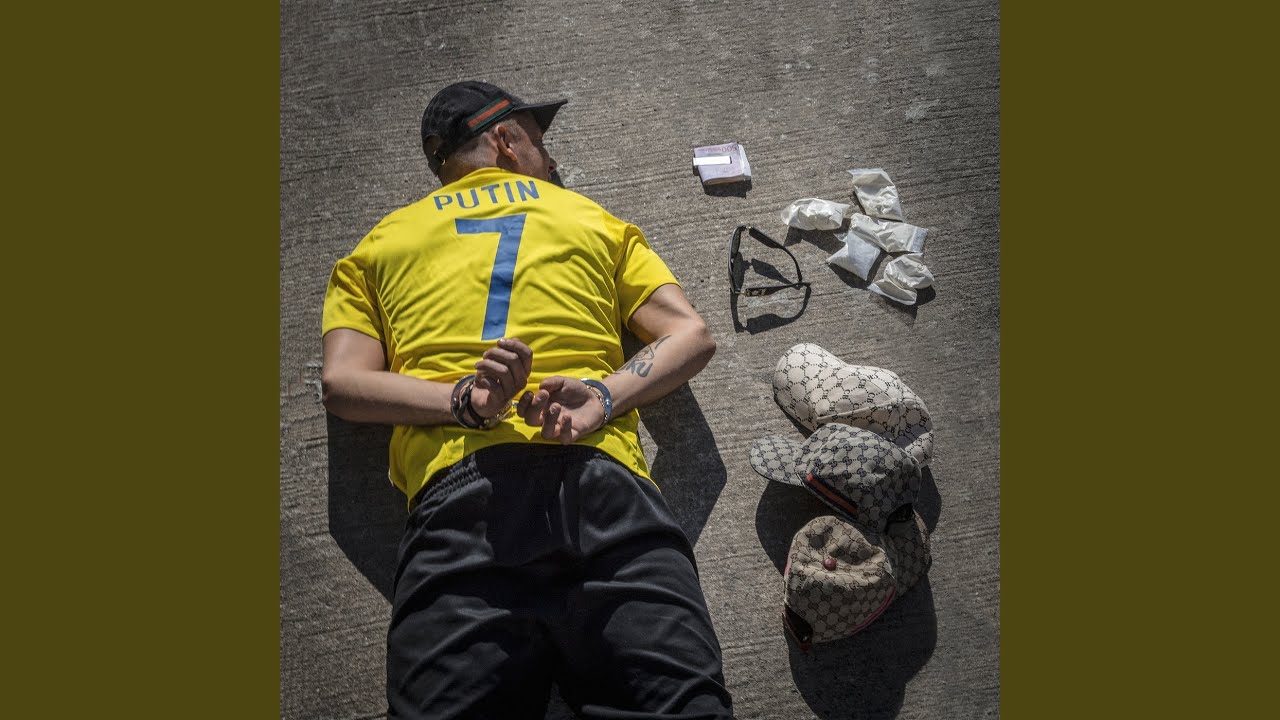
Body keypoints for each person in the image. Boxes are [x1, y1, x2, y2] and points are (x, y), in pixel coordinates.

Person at [321, 80, 735, 719]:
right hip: (604, 488)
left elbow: (343, 384)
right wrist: (602, 396)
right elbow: (691, 336)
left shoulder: (377, 246)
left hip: (461, 505)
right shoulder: (591, 219)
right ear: (506, 141)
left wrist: (466, 401)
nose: (552, 161)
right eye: (541, 143)